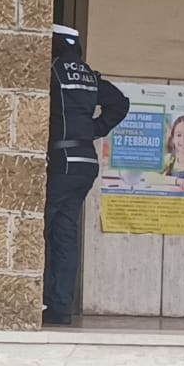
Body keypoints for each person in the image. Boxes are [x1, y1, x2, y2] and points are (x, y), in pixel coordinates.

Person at [44, 22, 128, 327]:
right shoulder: (90, 76)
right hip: (85, 161)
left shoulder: (52, 72)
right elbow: (120, 103)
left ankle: (44, 299)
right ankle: (61, 307)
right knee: (66, 235)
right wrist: (94, 129)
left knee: (44, 231)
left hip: (62, 158)